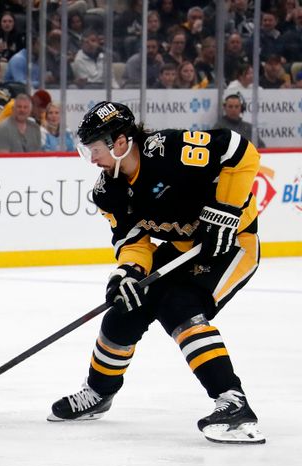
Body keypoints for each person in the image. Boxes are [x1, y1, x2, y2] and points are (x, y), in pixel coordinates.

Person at [51, 101, 265, 445]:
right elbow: (133, 240)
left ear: (120, 142)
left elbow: (242, 152)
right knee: (125, 307)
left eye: (94, 149)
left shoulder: (171, 151)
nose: (91, 159)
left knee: (179, 306)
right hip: (184, 247)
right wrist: (129, 273)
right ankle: (98, 392)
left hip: (232, 244)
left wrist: (224, 209)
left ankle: (233, 403)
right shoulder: (108, 191)